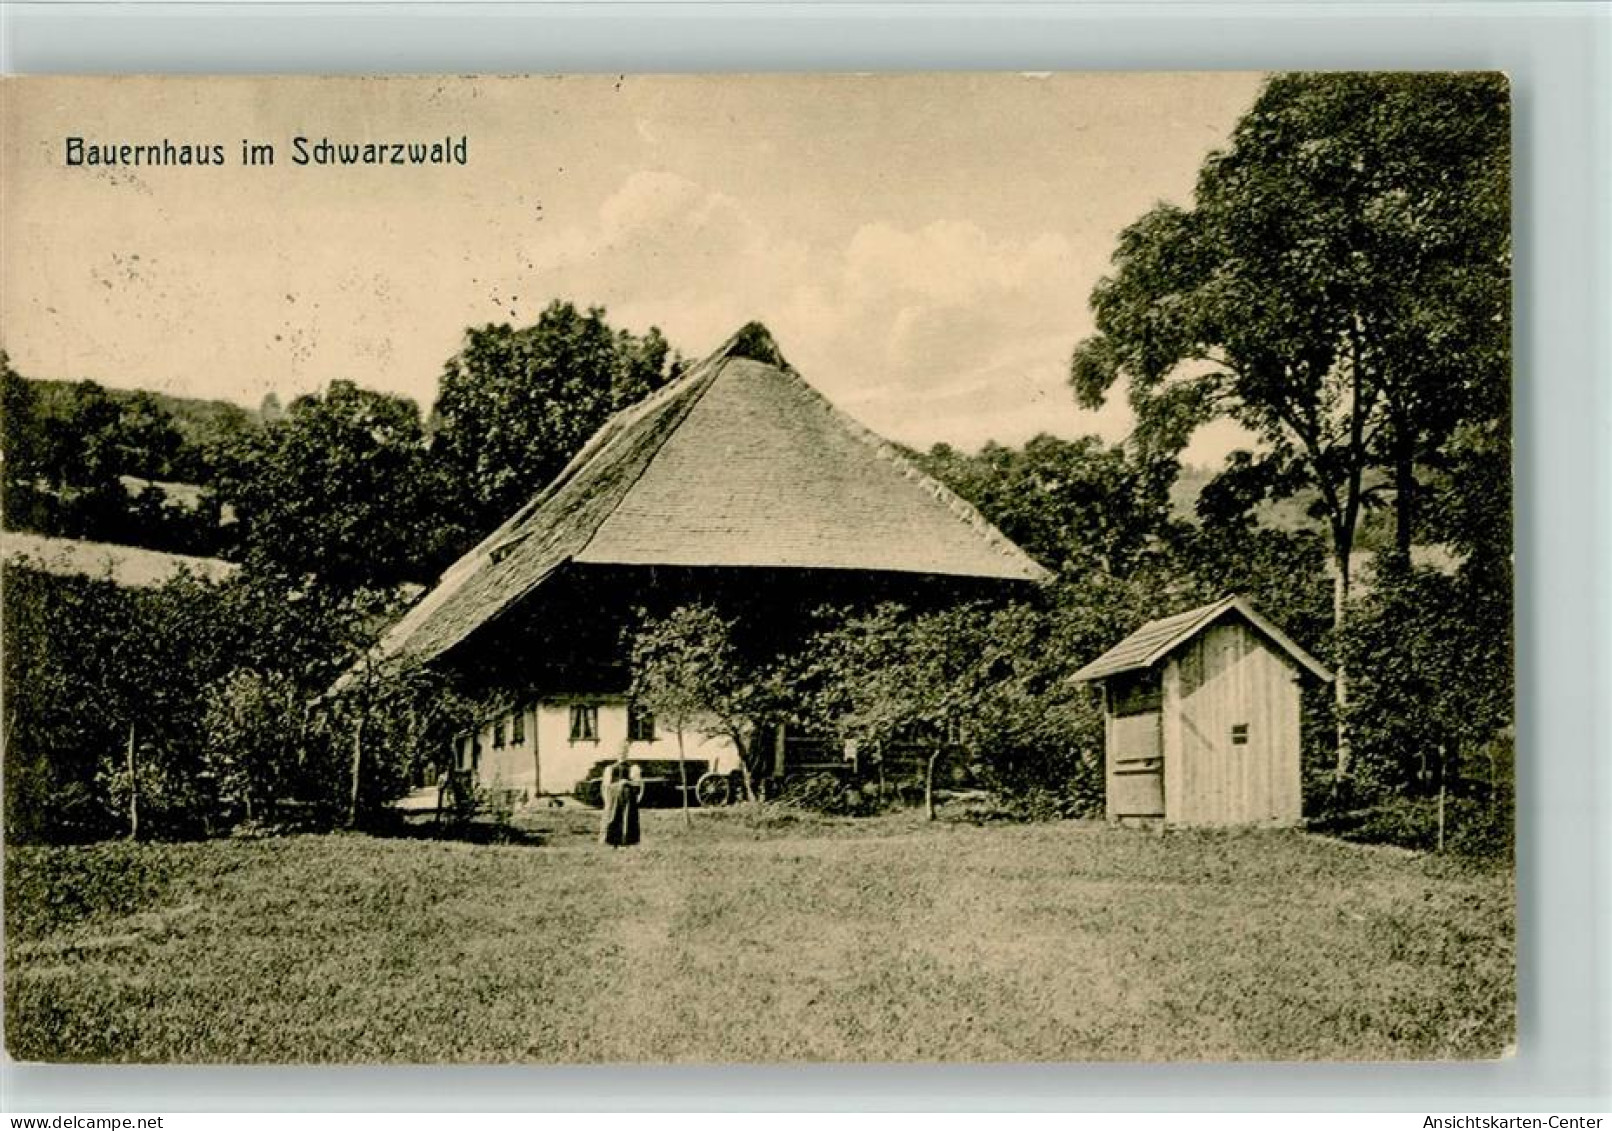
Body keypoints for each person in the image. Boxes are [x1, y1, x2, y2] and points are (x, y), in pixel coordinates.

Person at [599, 754, 642, 848]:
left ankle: (627, 841)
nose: (622, 754)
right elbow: (606, 785)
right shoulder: (610, 768)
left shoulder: (633, 768)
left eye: (624, 751)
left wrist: (627, 782)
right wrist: (607, 799)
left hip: (628, 798)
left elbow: (638, 784)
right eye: (620, 751)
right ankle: (612, 841)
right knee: (613, 817)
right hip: (614, 798)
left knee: (627, 818)